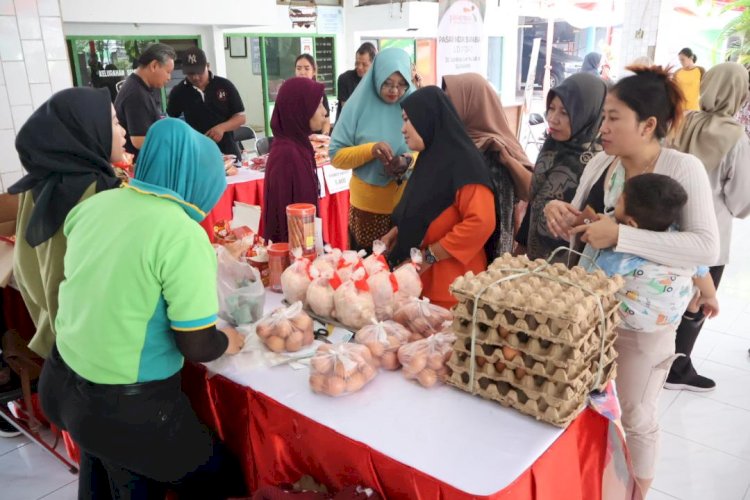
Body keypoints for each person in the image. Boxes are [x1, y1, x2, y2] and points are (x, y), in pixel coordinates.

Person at [38, 118, 246, 499]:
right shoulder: (181, 234)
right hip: (124, 409)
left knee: (105, 467)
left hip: (61, 381)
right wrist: (229, 340)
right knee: (225, 477)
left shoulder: (97, 204)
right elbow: (197, 345)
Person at [544, 65, 719, 495]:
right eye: (602, 117)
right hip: (590, 313)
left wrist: (622, 234)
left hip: (645, 325)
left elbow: (704, 248)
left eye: (614, 117)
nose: (602, 127)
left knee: (637, 414)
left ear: (648, 125)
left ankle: (637, 491)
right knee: (586, 405)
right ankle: (589, 481)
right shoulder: (602, 162)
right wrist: (562, 214)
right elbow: (587, 221)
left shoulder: (683, 168)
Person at [10, 88, 124, 359]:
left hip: (58, 336)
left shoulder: (40, 181)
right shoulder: (98, 192)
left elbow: (24, 267)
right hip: (98, 346)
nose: (123, 131)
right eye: (115, 122)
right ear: (88, 130)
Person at [667, 62, 750, 391]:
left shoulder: (683, 122)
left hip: (667, 228)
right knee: (699, 300)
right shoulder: (736, 138)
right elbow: (742, 198)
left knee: (667, 294)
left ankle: (657, 361)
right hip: (709, 237)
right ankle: (679, 368)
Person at [382, 86, 496, 309]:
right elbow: (424, 209)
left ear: (428, 118)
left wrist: (429, 257)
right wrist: (397, 232)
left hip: (452, 291)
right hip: (420, 286)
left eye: (407, 120)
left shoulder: (465, 164)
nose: (403, 129)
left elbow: (481, 222)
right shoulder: (430, 158)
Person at [330, 47, 414, 251]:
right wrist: (370, 150)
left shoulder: (414, 105)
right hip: (367, 208)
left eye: (402, 85)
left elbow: (430, 149)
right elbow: (335, 155)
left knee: (402, 273)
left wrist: (407, 160)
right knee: (368, 271)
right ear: (375, 77)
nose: (395, 91)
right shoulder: (356, 106)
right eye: (388, 83)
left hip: (407, 205)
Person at [442, 73, 533, 256]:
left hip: (486, 249)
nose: (446, 108)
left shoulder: (496, 148)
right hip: (463, 247)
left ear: (472, 104)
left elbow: (526, 193)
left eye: (451, 101)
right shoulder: (457, 141)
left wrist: (508, 160)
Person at [521, 72, 607, 261]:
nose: (552, 119)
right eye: (551, 108)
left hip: (572, 264)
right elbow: (536, 200)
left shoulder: (602, 161)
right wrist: (521, 245)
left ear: (587, 113)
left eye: (565, 112)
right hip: (535, 257)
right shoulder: (552, 145)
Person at [263, 77, 327, 243]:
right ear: (300, 109)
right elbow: (288, 226)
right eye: (318, 105)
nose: (324, 111)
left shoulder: (297, 145)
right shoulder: (288, 155)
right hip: (295, 254)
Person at [167, 47, 246, 157]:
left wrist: (222, 128)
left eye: (199, 72)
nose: (195, 77)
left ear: (207, 66)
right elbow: (171, 121)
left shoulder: (225, 85)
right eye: (190, 73)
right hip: (197, 152)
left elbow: (241, 117)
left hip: (228, 150)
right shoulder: (179, 91)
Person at [114, 42, 175, 158]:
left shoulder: (141, 87)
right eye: (168, 72)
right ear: (154, 66)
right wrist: (174, 145)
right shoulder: (136, 93)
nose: (169, 78)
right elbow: (139, 140)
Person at [294, 54, 331, 135]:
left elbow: (326, 120)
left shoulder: (319, 92)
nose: (302, 72)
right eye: (298, 68)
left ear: (314, 71)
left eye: (307, 69)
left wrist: (324, 136)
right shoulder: (290, 93)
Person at [337, 42, 377, 113]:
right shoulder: (345, 79)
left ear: (373, 64)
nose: (359, 67)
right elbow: (346, 111)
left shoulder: (378, 81)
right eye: (357, 63)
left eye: (364, 64)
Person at [674, 47, 704, 112]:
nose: (681, 62)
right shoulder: (677, 72)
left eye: (683, 60)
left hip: (694, 110)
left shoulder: (700, 71)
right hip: (679, 110)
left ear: (691, 57)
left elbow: (705, 89)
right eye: (680, 60)